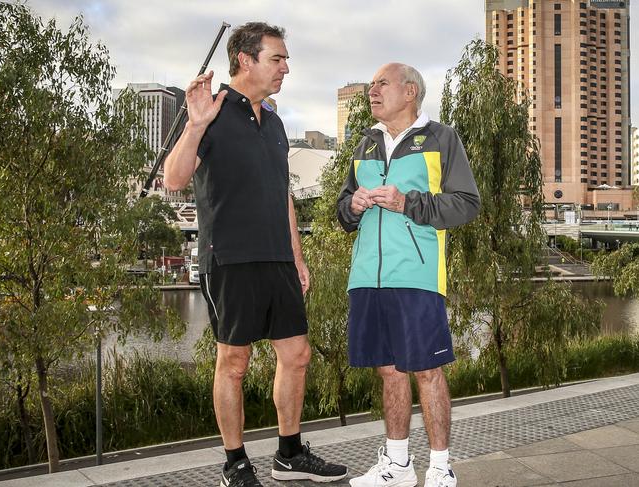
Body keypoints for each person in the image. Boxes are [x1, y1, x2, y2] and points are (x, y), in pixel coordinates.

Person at [164, 22, 347, 487]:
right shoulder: (212, 112)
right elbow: (173, 178)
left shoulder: (276, 122)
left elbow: (281, 191)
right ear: (245, 60)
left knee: (298, 354)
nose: (286, 67)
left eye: (286, 59)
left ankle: (288, 454)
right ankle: (235, 464)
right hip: (230, 256)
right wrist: (195, 125)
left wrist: (297, 256)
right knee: (234, 362)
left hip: (277, 259)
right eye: (277, 58)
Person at [337, 63, 480, 487]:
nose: (372, 89)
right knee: (388, 371)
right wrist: (354, 206)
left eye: (382, 83)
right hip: (366, 276)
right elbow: (342, 211)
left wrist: (408, 203)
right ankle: (397, 466)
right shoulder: (364, 142)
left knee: (427, 371)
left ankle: (440, 467)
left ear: (410, 91)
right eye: (372, 84)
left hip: (417, 276)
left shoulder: (441, 138)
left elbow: (466, 203)